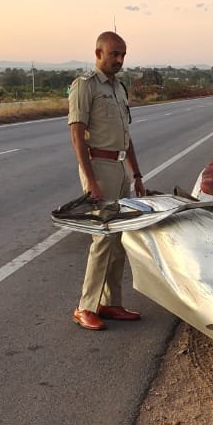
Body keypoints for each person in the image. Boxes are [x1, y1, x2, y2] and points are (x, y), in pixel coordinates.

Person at [67, 31, 145, 331]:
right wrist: (90, 180)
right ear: (98, 53)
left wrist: (137, 174)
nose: (119, 60)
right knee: (102, 239)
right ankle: (85, 306)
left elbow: (126, 135)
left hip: (120, 167)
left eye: (123, 54)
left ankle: (110, 302)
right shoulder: (85, 86)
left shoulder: (118, 88)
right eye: (114, 54)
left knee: (118, 239)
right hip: (98, 167)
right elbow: (77, 134)